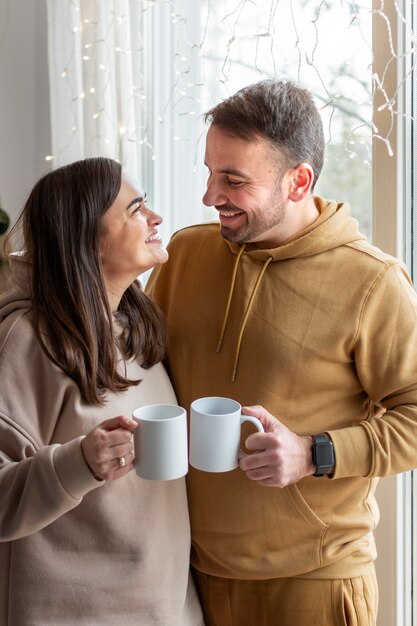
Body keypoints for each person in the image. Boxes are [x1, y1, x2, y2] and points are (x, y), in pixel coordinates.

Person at [146, 79, 417, 626]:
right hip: (190, 571)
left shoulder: (372, 282)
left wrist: (314, 452)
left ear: (298, 182)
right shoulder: (183, 253)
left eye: (234, 180)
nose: (210, 195)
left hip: (315, 581)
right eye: (209, 172)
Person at [0, 157, 203, 626]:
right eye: (135, 210)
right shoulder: (27, 343)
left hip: (164, 608)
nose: (155, 218)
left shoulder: (138, 330)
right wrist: (79, 464)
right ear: (87, 242)